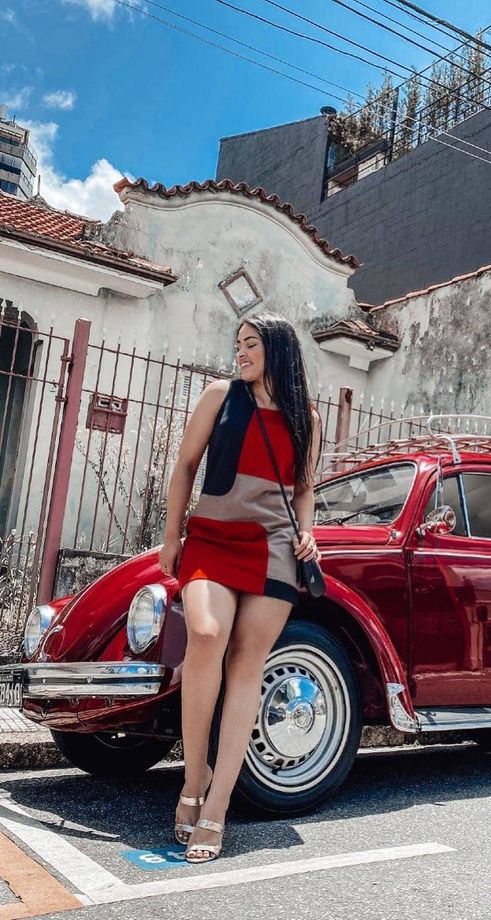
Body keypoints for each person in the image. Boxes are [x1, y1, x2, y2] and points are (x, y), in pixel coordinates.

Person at [158, 312, 322, 864]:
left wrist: (309, 534)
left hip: (276, 547)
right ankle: (192, 778)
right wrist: (170, 536)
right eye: (237, 345)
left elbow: (303, 491)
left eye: (250, 344)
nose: (240, 353)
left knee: (248, 662)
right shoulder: (219, 396)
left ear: (277, 350)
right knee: (205, 634)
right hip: (210, 537)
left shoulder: (306, 418)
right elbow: (185, 465)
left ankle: (217, 805)